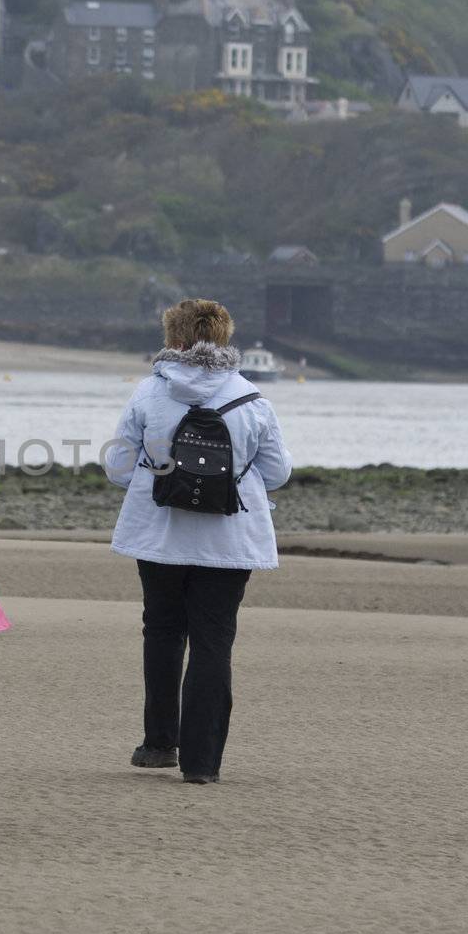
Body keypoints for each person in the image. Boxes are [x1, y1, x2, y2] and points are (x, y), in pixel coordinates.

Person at [104, 299, 291, 784]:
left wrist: (158, 481)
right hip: (230, 541)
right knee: (214, 641)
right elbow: (277, 473)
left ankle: (159, 743)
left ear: (174, 340)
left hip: (159, 533)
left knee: (162, 632)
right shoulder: (253, 399)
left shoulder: (149, 393)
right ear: (224, 340)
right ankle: (202, 763)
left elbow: (118, 467)